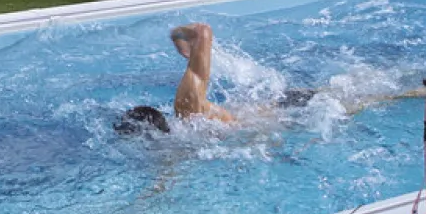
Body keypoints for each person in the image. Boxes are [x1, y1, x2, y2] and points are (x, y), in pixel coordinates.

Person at [115, 23, 322, 135]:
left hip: (294, 111)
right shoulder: (184, 131)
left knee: (351, 99)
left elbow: (203, 31)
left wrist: (177, 35)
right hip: (277, 112)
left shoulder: (188, 109)